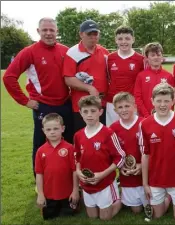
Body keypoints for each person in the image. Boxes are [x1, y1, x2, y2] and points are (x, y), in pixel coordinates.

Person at [3, 17, 73, 178]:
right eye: (45, 30)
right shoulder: (29, 51)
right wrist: (25, 101)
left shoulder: (65, 50)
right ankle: (40, 181)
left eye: (51, 30)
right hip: (43, 106)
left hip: (65, 104)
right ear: (38, 31)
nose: (48, 33)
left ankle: (68, 178)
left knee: (68, 142)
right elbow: (9, 77)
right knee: (41, 144)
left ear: (57, 32)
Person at [139, 83, 175, 220]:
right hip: (156, 180)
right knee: (156, 216)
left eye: (167, 101)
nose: (163, 105)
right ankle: (168, 197)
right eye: (159, 101)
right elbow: (145, 155)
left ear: (173, 101)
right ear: (152, 101)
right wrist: (145, 183)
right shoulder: (145, 124)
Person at [73, 95, 126, 220]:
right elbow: (77, 156)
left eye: (93, 111)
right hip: (87, 183)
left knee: (105, 218)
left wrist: (102, 175)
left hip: (105, 182)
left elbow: (121, 157)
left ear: (100, 112)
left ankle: (119, 200)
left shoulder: (108, 133)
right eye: (85, 111)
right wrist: (79, 171)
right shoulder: (78, 135)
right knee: (92, 217)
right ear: (80, 113)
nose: (89, 115)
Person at [63, 19, 110, 133]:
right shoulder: (72, 53)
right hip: (82, 107)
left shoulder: (104, 51)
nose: (93, 37)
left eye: (95, 33)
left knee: (101, 137)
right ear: (81, 34)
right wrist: (89, 88)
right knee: (83, 139)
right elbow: (68, 79)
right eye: (89, 34)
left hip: (101, 105)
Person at [35, 113, 79, 220]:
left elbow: (74, 171)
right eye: (48, 129)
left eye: (56, 128)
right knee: (49, 217)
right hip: (49, 194)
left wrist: (75, 190)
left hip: (67, 193)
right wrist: (40, 194)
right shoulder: (40, 151)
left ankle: (76, 199)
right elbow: (39, 174)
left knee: (69, 215)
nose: (52, 132)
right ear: (43, 131)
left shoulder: (69, 148)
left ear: (62, 129)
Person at [109, 92, 145, 213]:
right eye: (120, 107)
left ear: (134, 106)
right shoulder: (113, 129)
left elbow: (152, 151)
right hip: (127, 175)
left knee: (152, 207)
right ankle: (121, 196)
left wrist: (142, 165)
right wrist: (121, 166)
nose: (124, 110)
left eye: (127, 106)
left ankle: (167, 194)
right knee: (137, 210)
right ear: (115, 110)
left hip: (146, 173)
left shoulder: (144, 123)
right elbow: (113, 154)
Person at [105, 26, 145, 126]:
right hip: (112, 102)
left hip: (131, 102)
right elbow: (107, 77)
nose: (124, 42)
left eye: (127, 38)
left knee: (132, 131)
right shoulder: (109, 58)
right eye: (120, 39)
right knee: (112, 131)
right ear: (116, 40)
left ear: (133, 39)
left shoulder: (140, 59)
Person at [134, 42, 175, 118]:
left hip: (164, 117)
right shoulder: (141, 76)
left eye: (158, 55)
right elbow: (137, 98)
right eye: (152, 55)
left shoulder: (169, 76)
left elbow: (171, 98)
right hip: (145, 117)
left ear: (162, 57)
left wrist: (166, 114)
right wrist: (146, 115)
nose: (156, 57)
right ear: (146, 58)